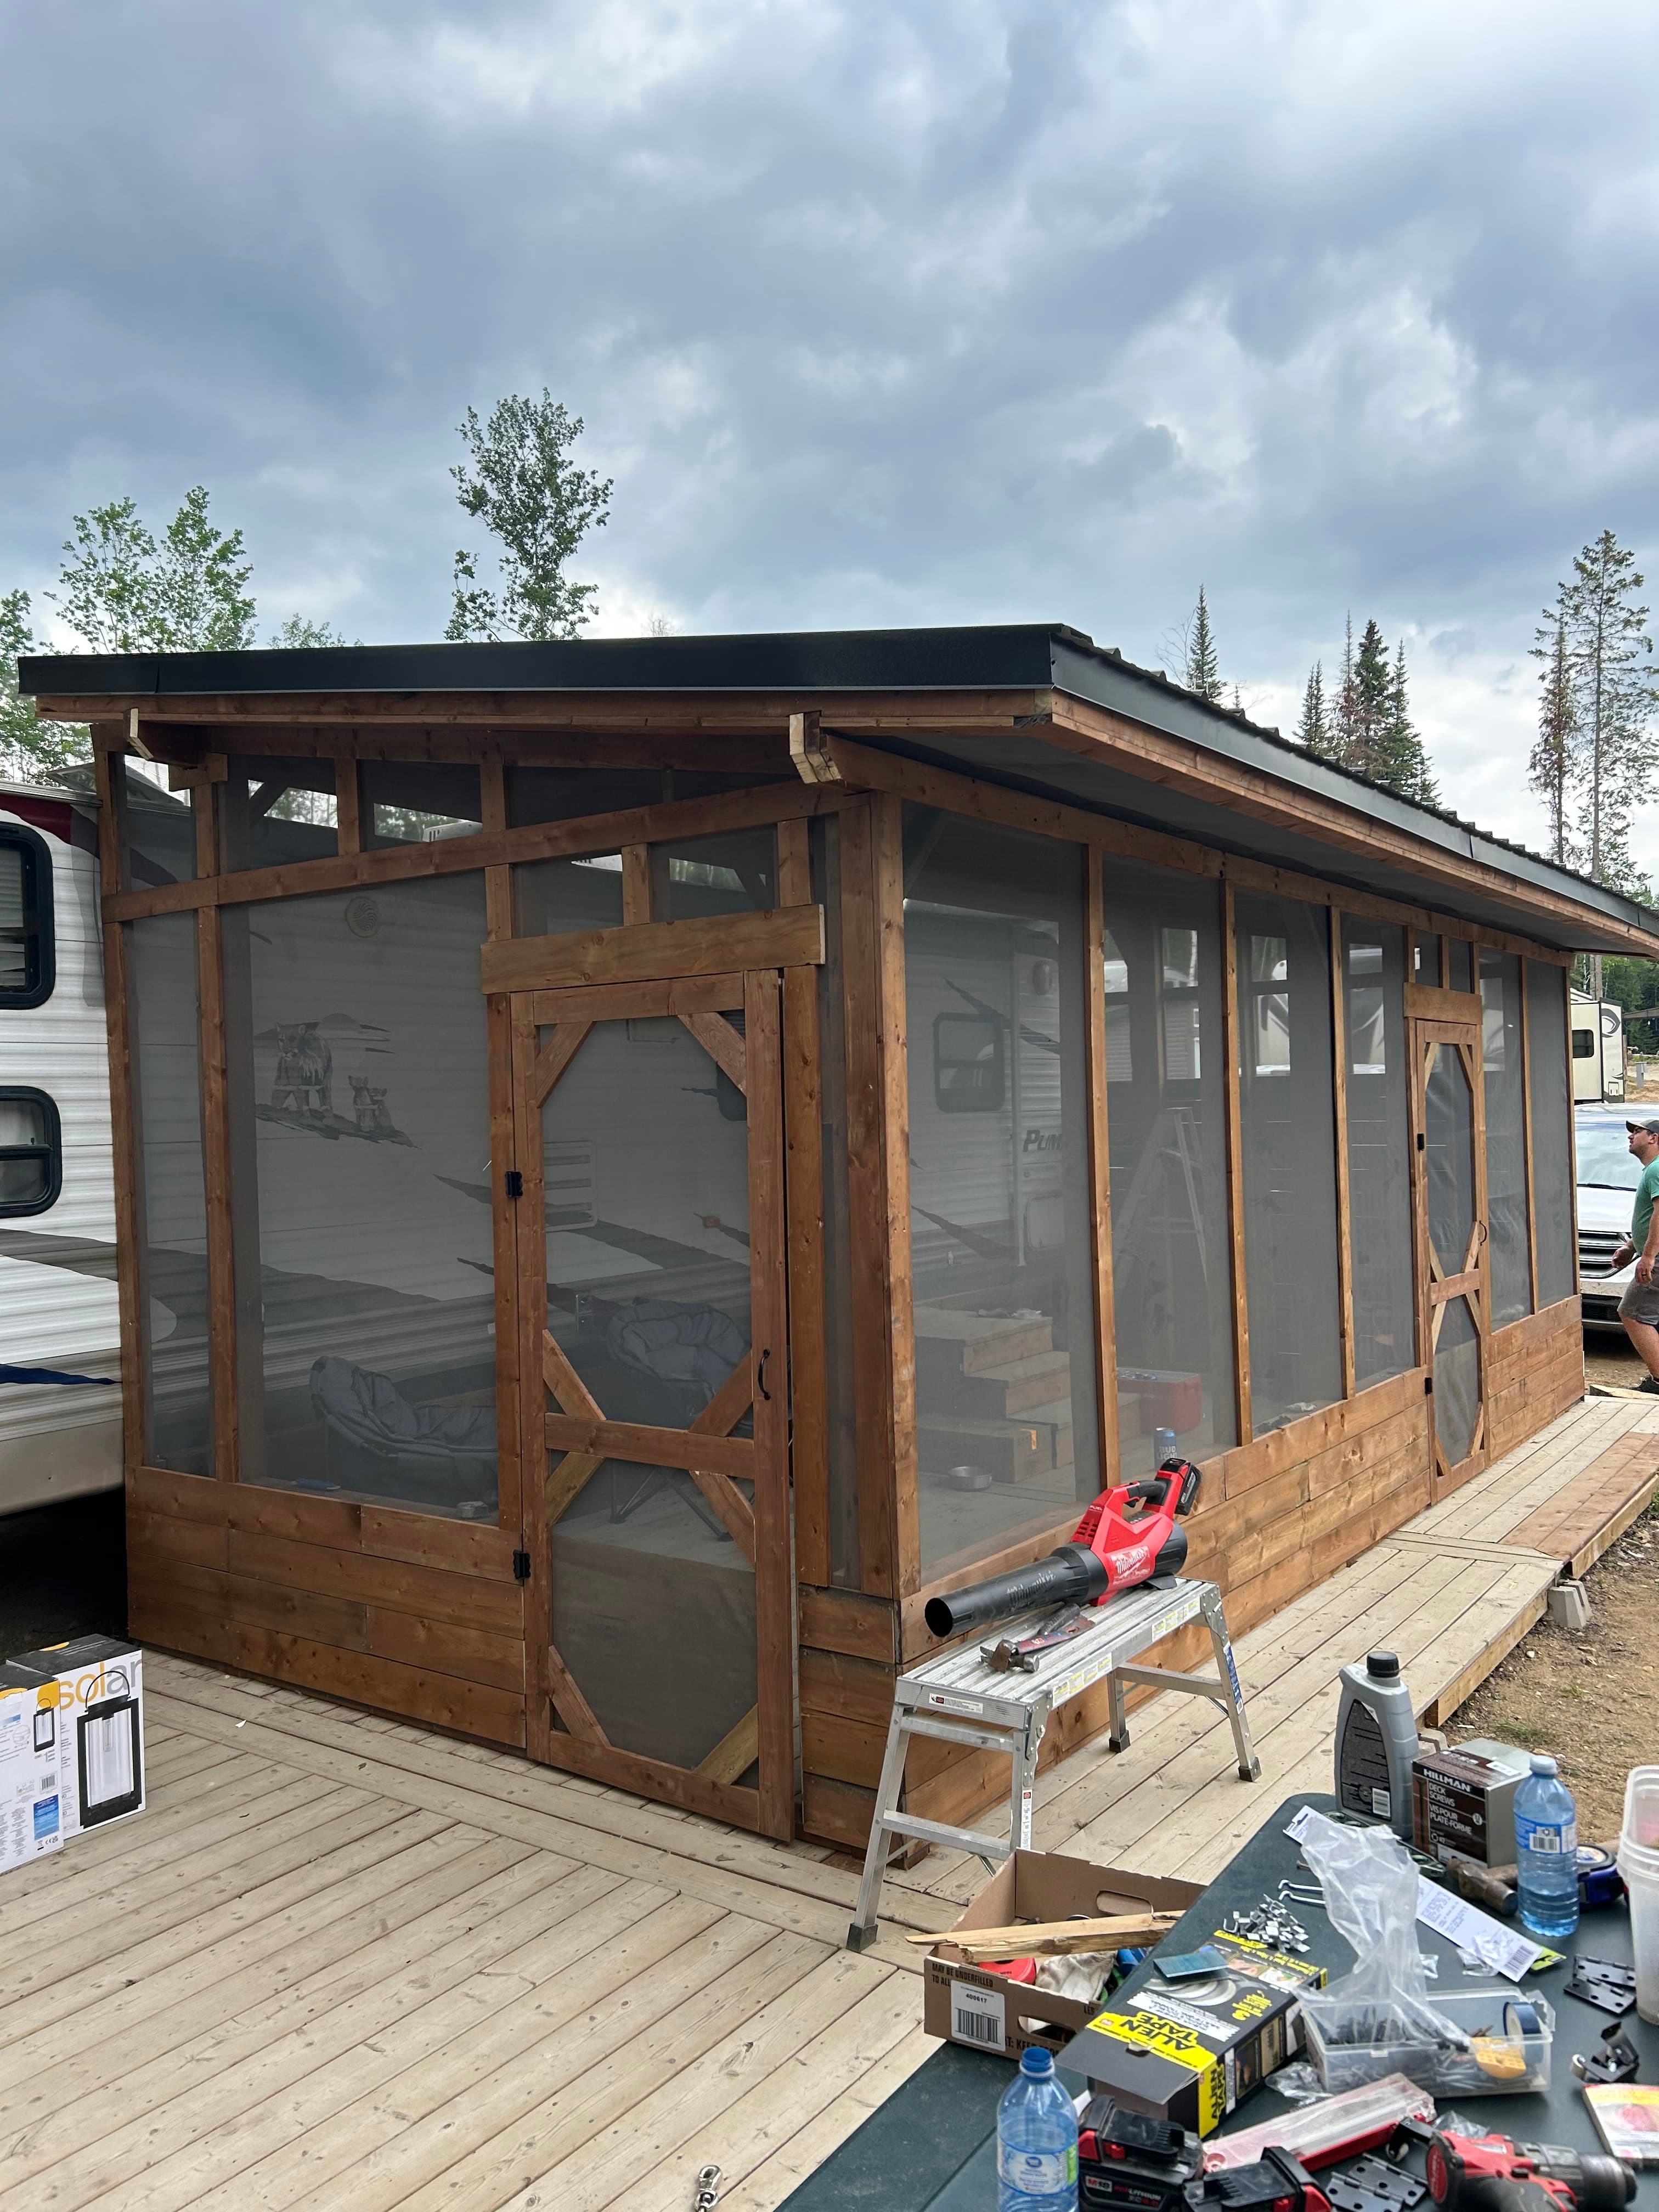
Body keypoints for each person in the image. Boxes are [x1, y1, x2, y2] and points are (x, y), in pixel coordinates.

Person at [1611, 1118, 1659, 1391]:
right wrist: (1632, 1247)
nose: (1631, 1136)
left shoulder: (1656, 1169)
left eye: (1637, 1132)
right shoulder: (1652, 1170)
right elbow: (1649, 1216)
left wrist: (1649, 1256)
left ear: (1653, 1138)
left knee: (1632, 1313)